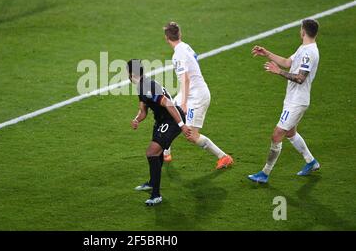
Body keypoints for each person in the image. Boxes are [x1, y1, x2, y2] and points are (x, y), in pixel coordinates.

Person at [248, 19, 321, 183]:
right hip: (292, 99)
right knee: (290, 132)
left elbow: (301, 78)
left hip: (297, 101)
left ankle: (264, 174)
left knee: (276, 135)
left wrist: (278, 72)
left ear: (303, 31)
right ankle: (311, 162)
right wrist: (267, 53)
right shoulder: (304, 48)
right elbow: (288, 62)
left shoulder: (310, 52)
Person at [163, 22, 233, 169]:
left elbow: (185, 78)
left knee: (192, 135)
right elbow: (195, 58)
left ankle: (224, 157)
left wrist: (183, 103)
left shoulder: (177, 55)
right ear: (179, 34)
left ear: (166, 38)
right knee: (168, 111)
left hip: (196, 97)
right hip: (192, 91)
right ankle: (165, 152)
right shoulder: (185, 46)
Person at [128, 59, 189, 206]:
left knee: (152, 152)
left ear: (131, 74)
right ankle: (152, 182)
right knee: (157, 152)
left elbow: (168, 103)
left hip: (172, 120)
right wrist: (137, 119)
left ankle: (156, 195)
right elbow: (143, 111)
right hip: (161, 121)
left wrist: (181, 124)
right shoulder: (141, 86)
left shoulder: (146, 87)